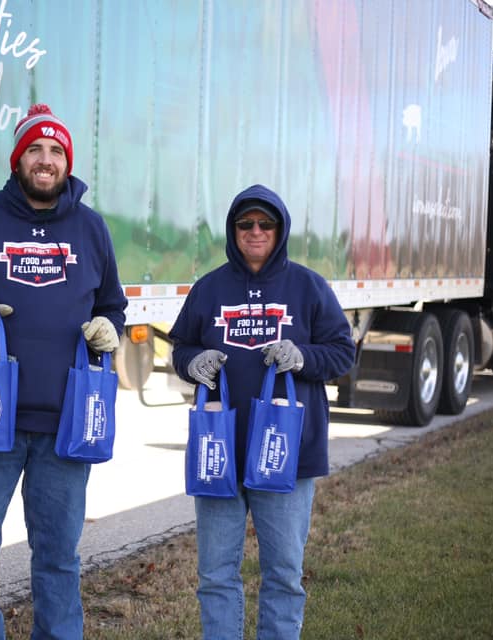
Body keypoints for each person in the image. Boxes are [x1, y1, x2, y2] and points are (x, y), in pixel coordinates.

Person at [0, 103, 127, 639]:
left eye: (56, 150)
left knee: (59, 554)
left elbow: (113, 304)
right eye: (35, 150)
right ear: (17, 160)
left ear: (68, 161)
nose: (46, 159)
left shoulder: (91, 229)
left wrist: (109, 326)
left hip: (65, 422)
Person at [170, 184, 354, 639]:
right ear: (233, 231)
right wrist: (192, 362)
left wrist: (303, 357)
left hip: (286, 453)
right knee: (215, 575)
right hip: (221, 451)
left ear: (280, 230)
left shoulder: (308, 286)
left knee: (284, 575)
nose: (255, 232)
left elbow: (343, 353)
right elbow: (182, 347)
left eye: (265, 224)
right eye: (245, 224)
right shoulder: (210, 288)